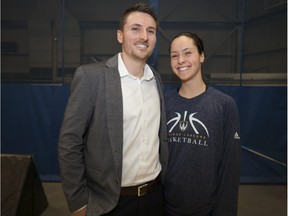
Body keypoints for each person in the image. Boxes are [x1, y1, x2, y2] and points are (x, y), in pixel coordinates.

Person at [58, 3, 169, 216]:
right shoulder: (91, 77)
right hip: (108, 204)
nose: (144, 36)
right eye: (135, 28)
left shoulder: (156, 79)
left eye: (151, 31)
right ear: (120, 35)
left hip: (154, 199)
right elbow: (69, 143)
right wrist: (79, 204)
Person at [163, 32, 241, 216]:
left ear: (202, 56)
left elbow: (230, 169)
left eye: (187, 53)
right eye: (174, 55)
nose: (181, 60)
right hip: (166, 208)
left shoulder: (224, 104)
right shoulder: (163, 103)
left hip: (208, 209)